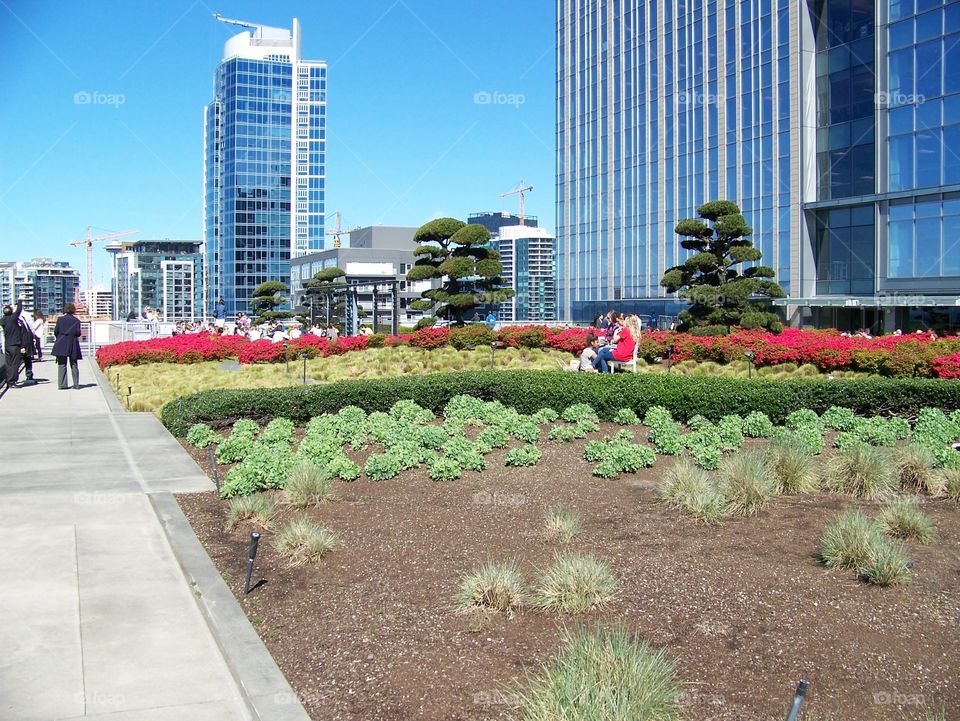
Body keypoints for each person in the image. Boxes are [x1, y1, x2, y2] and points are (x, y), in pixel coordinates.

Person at [52, 302, 83, 390]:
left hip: (61, 343)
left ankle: (62, 384)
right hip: (72, 343)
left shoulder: (60, 319)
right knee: (74, 364)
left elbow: (56, 331)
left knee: (62, 364)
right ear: (73, 310)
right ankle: (76, 384)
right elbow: (78, 333)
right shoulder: (76, 321)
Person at [1, 299, 30, 388]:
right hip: (15, 344)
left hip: (7, 345)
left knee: (8, 363)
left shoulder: (2, 320)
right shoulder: (13, 318)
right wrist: (20, 300)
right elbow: (19, 309)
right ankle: (12, 382)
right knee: (14, 364)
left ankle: (8, 380)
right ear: (11, 312)